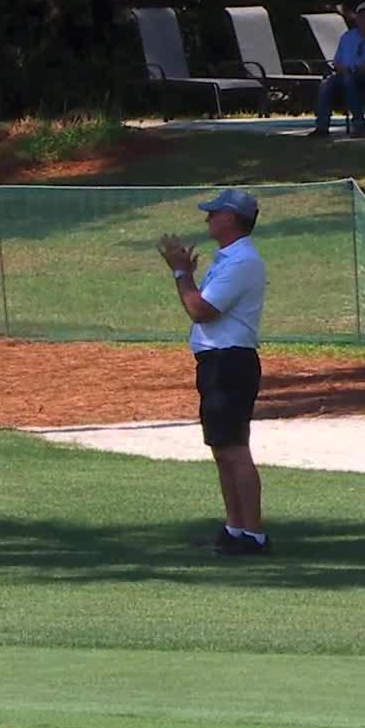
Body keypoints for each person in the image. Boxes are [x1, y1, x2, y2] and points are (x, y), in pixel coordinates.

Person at [157, 189, 270, 556]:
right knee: (222, 448)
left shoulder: (242, 262)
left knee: (234, 449)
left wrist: (181, 274)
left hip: (230, 361)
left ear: (230, 218)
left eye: (214, 213)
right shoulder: (229, 259)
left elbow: (201, 310)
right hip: (218, 361)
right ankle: (235, 528)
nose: (208, 218)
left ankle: (253, 534)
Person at [311, 1, 365, 138]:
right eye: (361, 17)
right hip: (347, 73)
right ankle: (322, 127)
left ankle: (359, 125)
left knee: (349, 81)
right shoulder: (347, 37)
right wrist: (342, 68)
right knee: (327, 84)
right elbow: (336, 61)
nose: (364, 20)